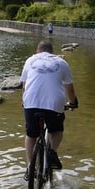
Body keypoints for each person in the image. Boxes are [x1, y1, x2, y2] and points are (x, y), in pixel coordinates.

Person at [20, 40, 78, 180]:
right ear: (52, 52)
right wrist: (73, 102)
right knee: (56, 130)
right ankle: (52, 152)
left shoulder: (30, 60)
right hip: (54, 102)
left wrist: (24, 101)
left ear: (37, 51)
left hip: (31, 101)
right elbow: (69, 87)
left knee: (31, 134)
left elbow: (24, 85)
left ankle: (30, 167)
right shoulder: (61, 62)